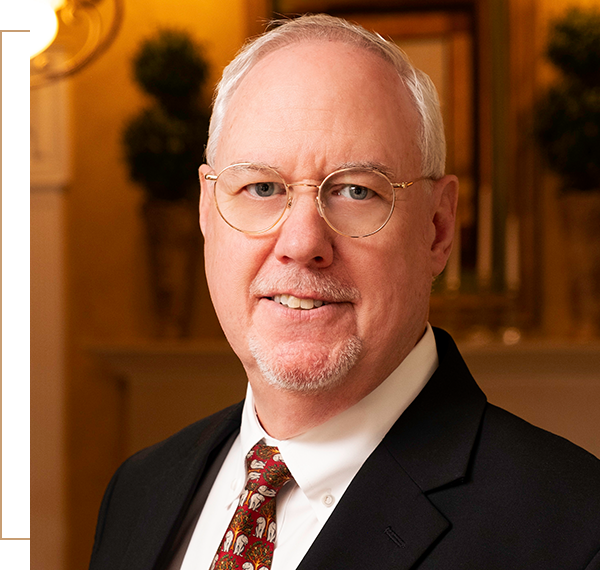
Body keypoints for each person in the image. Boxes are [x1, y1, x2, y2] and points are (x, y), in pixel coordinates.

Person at [89, 14, 600, 570]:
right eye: (261, 187)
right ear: (207, 211)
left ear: (437, 227)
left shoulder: (573, 532)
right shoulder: (140, 492)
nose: (303, 242)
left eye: (357, 191)